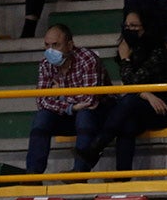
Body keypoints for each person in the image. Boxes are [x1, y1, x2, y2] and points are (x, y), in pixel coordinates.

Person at [76, 10, 167, 173]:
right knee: (126, 122)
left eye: (134, 26)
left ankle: (97, 146)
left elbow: (134, 82)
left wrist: (125, 60)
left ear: (145, 27)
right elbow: (130, 85)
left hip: (163, 107)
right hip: (139, 107)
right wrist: (146, 94)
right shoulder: (129, 50)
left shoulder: (157, 50)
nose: (129, 29)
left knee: (128, 102)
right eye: (126, 26)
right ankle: (122, 176)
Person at [25, 23, 113, 174]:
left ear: (70, 45)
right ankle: (33, 174)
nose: (50, 50)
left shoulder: (87, 59)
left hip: (99, 114)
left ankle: (79, 172)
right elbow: (42, 101)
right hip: (70, 114)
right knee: (42, 117)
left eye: (56, 45)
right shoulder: (46, 64)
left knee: (85, 114)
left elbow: (89, 99)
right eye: (47, 45)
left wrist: (61, 94)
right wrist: (69, 107)